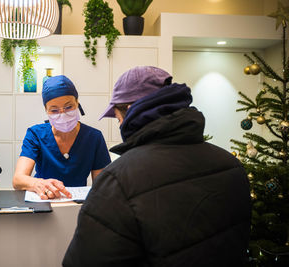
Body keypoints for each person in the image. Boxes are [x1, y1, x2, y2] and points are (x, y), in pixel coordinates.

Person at [63, 66, 251, 266]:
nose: (119, 126)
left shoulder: (118, 182)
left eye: (118, 119)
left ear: (131, 110)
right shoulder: (232, 166)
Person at [13, 75, 111, 200]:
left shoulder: (94, 137)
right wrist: (38, 184)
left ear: (77, 103)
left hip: (76, 204)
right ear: (46, 111)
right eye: (54, 110)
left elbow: (102, 186)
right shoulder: (36, 134)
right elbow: (18, 180)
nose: (62, 114)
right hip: (44, 200)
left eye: (68, 107)